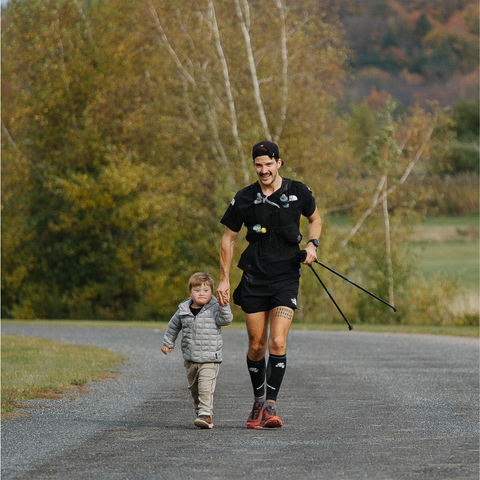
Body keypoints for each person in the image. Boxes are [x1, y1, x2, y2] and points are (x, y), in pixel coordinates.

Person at [216, 140, 321, 429]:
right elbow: (228, 238)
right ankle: (258, 401)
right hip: (253, 277)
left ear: (279, 163)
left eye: (268, 164)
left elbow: (315, 219)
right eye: (258, 165)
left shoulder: (298, 191)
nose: (263, 170)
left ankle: (271, 406)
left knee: (277, 341)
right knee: (256, 345)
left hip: (286, 277)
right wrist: (224, 279)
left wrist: (312, 245)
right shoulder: (245, 198)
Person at [162, 272, 233, 429]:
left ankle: (205, 415)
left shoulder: (215, 307)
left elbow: (226, 320)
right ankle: (200, 414)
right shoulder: (183, 309)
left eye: (206, 290)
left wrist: (224, 305)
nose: (201, 293)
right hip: (190, 359)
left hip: (209, 359)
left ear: (212, 292)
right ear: (190, 292)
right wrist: (168, 343)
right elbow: (173, 326)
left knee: (205, 388)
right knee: (194, 390)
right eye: (197, 290)